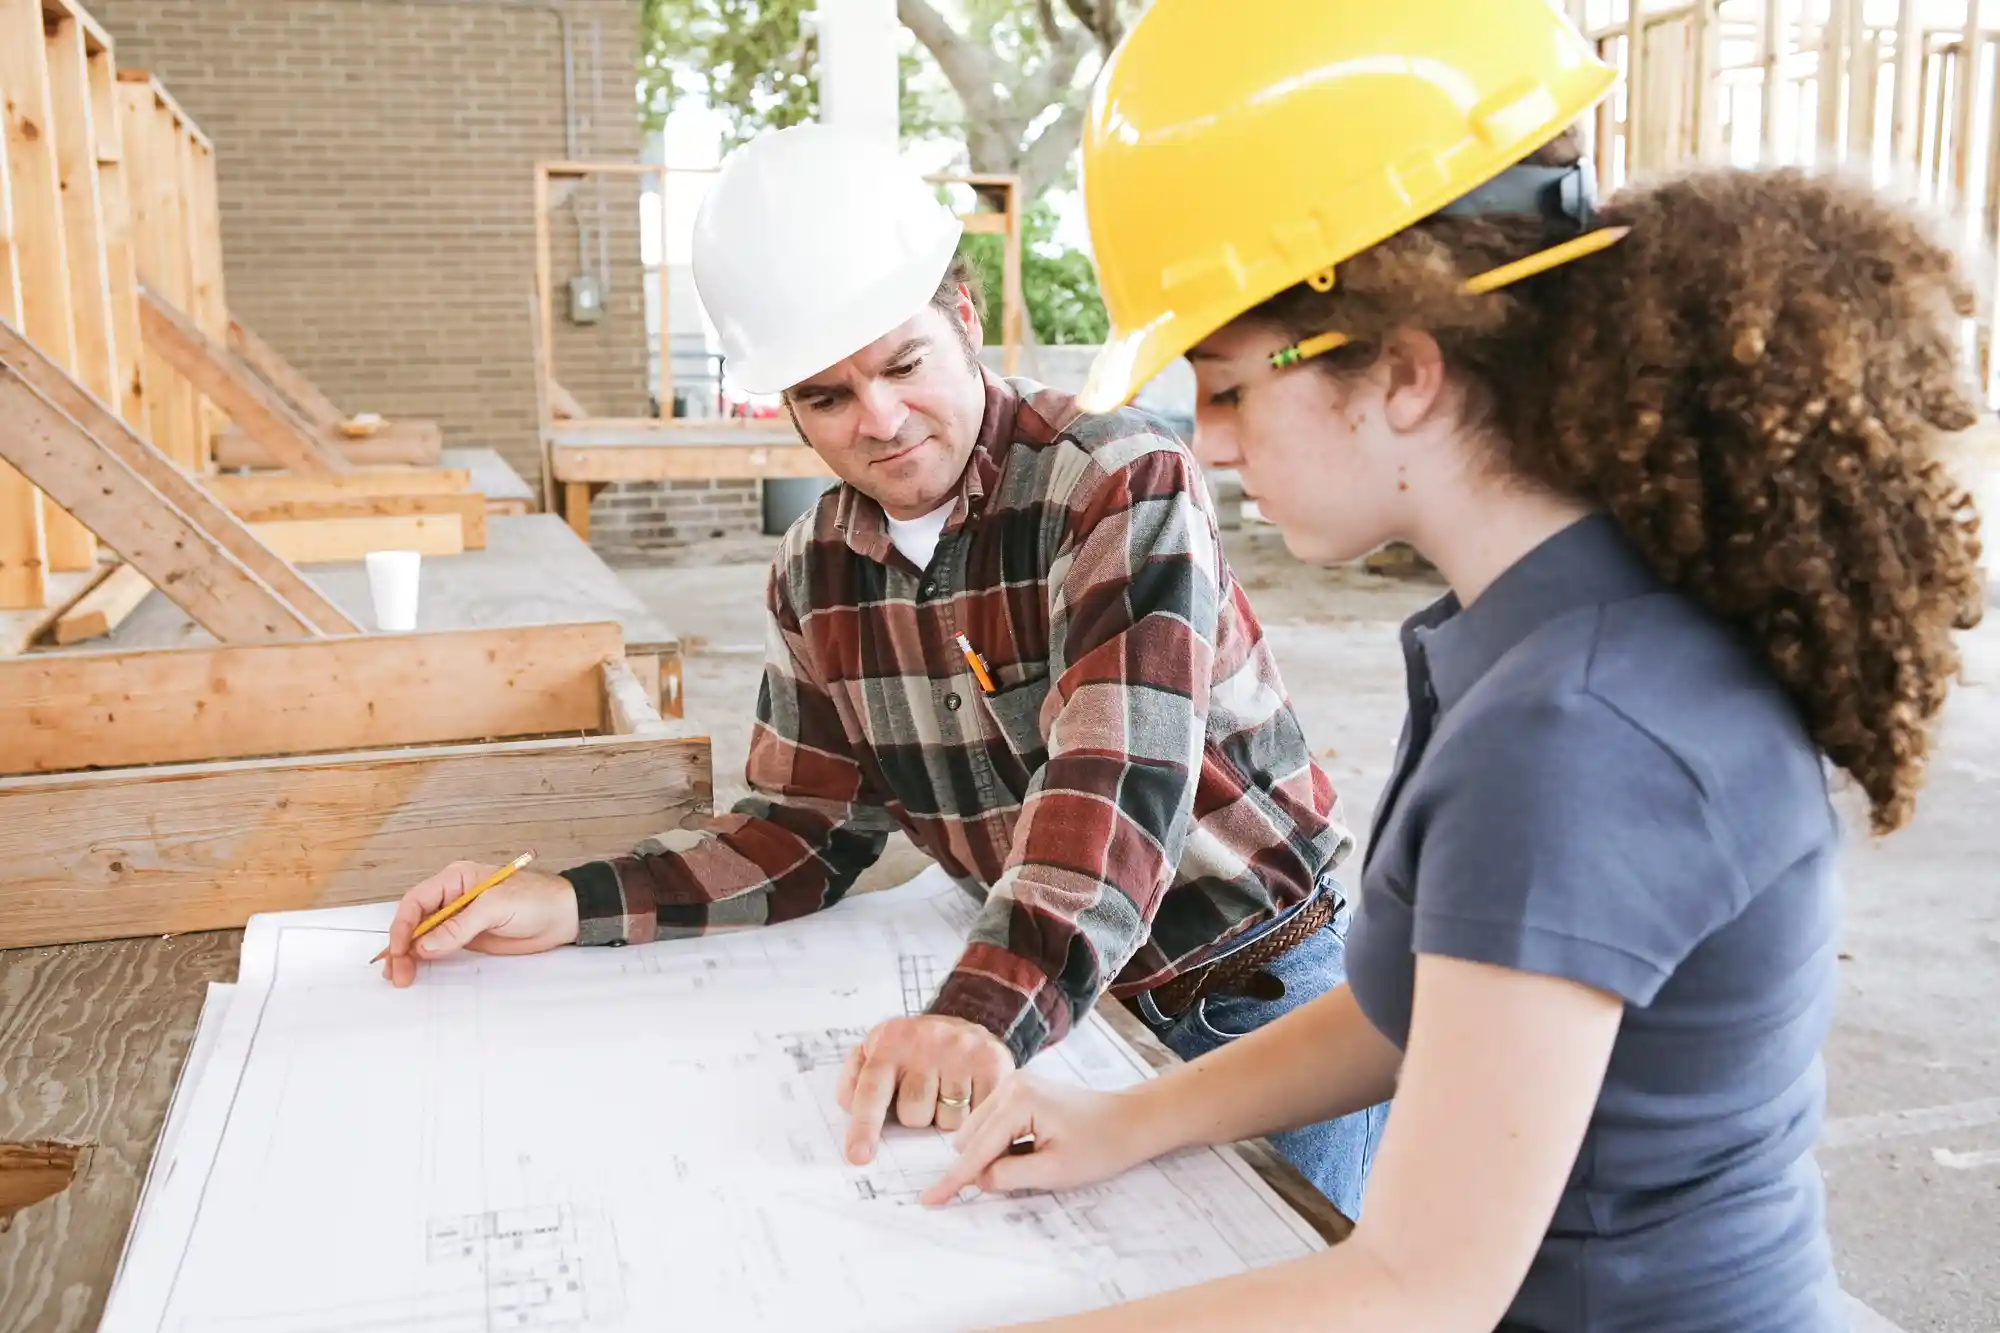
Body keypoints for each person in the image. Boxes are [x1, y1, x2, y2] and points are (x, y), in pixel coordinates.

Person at [919, 2, 1988, 1330]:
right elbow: (1419, 1007)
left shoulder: (1575, 732)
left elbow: (1417, 1291)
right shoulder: (1547, 635)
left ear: (1406, 372)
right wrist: (1128, 1119)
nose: (1210, 441)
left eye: (1230, 384)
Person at [379, 121, 1388, 1218]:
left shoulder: (1115, 481)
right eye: (827, 397)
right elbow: (798, 831)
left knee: (1304, 1266)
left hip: (1255, 994)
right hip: (1059, 1019)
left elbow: (1114, 783)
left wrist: (973, 1013)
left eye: (904, 365)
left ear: (964, 320)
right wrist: (567, 901)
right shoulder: (815, 573)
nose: (881, 421)